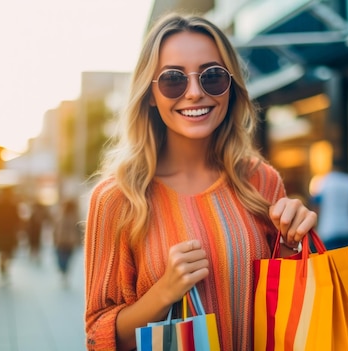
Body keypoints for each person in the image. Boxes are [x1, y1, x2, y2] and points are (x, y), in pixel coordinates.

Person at [83, 13, 317, 351]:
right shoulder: (117, 198)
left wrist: (293, 243)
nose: (194, 93)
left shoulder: (260, 181)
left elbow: (280, 310)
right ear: (149, 94)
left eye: (212, 76)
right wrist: (164, 291)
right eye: (173, 79)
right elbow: (98, 336)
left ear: (230, 87)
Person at [312, 159, 348, 250]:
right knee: (347, 263)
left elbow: (316, 208)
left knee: (331, 263)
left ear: (331, 166)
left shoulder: (323, 182)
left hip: (328, 229)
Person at [0, 187, 21, 279]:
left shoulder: (0, 205)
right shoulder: (12, 206)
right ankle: (5, 266)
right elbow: (18, 219)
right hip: (9, 232)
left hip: (2, 231)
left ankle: (3, 265)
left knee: (3, 251)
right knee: (8, 252)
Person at [53, 199, 81, 286]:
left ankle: (63, 272)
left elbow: (56, 228)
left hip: (61, 240)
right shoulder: (75, 217)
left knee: (61, 257)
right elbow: (79, 230)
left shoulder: (61, 215)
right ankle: (65, 273)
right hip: (70, 241)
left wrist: (54, 238)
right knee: (68, 258)